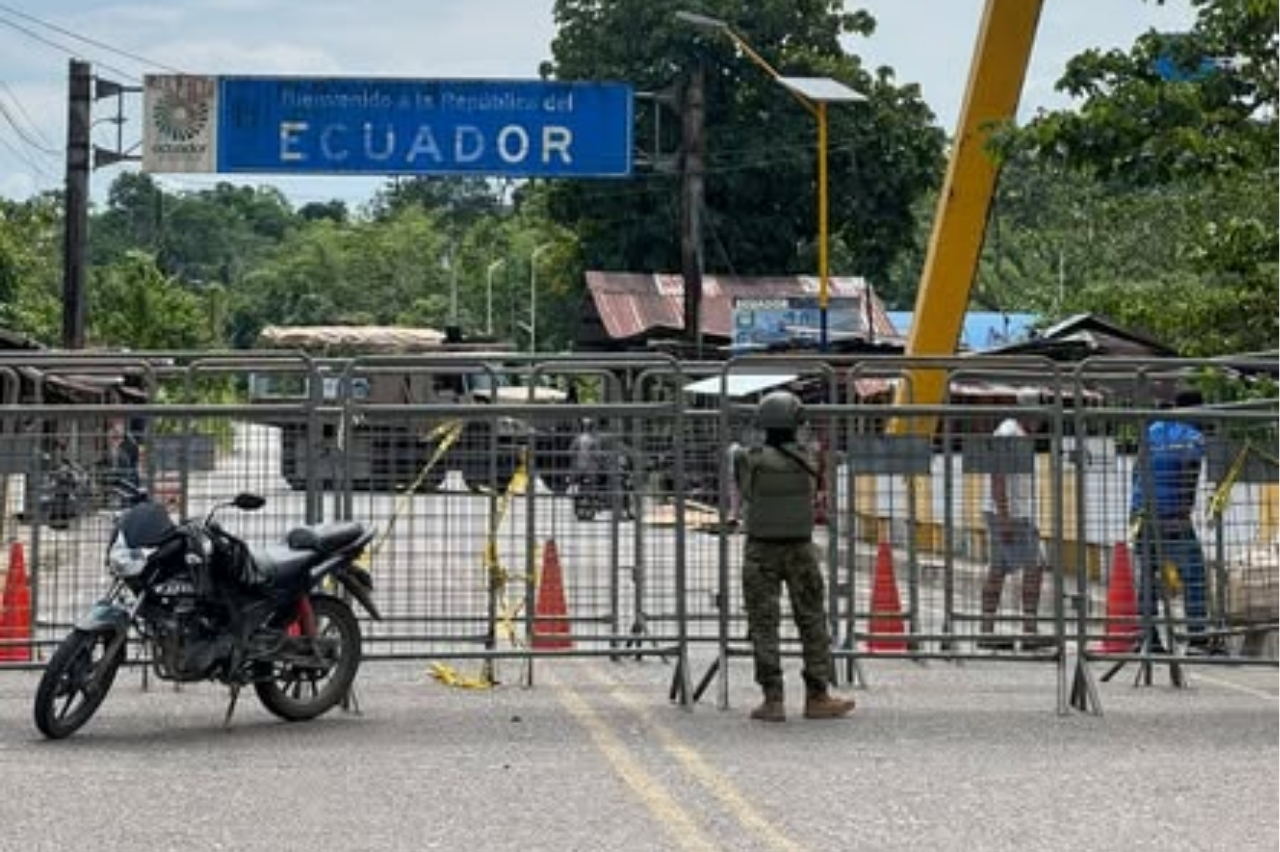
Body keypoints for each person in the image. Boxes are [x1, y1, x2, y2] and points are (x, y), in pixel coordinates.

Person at [730, 390, 855, 722]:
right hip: (800, 547)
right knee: (812, 620)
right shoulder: (810, 458)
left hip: (760, 549)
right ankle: (817, 694)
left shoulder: (748, 458)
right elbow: (816, 488)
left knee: (763, 624)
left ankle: (772, 699)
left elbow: (744, 491)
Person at [1130, 389, 1208, 649]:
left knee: (1149, 576)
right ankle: (1197, 637)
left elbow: (1137, 470)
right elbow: (1189, 474)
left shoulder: (1151, 430)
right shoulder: (1191, 436)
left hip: (1142, 514)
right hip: (1171, 514)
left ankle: (1148, 638)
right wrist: (1184, 512)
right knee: (1194, 573)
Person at [979, 389, 1048, 651]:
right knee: (1035, 566)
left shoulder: (1018, 434)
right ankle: (1028, 630)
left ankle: (987, 629)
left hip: (1014, 512)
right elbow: (998, 477)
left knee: (998, 569)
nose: (1039, 421)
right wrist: (1005, 518)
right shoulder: (1009, 434)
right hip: (1010, 514)